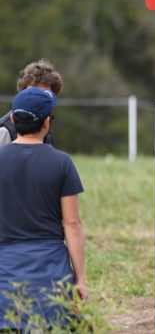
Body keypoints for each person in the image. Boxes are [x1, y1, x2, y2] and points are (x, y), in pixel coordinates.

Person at [0, 87, 87, 330]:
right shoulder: (62, 163)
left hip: (6, 269)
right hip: (51, 271)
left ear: (14, 120)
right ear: (47, 122)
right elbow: (72, 224)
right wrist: (79, 279)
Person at [0, 59, 63, 146]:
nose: (37, 98)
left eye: (44, 94)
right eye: (33, 91)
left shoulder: (46, 127)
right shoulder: (4, 131)